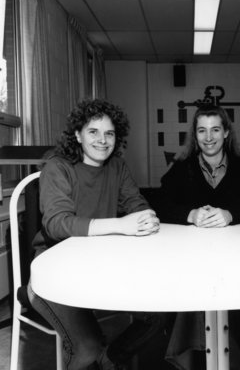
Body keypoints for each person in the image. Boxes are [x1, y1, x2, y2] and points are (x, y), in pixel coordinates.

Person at [28, 99, 164, 370]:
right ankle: (96, 356)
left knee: (160, 312)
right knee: (86, 348)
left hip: (101, 266)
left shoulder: (117, 167)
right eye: (93, 132)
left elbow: (136, 205)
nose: (103, 140)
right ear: (77, 134)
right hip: (52, 274)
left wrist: (144, 217)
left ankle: (111, 358)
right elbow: (57, 223)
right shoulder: (58, 166)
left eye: (109, 133)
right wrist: (121, 225)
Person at [155, 103, 240, 370]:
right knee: (196, 294)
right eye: (202, 131)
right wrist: (190, 214)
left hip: (236, 263)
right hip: (192, 261)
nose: (209, 137)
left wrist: (232, 215)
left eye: (215, 130)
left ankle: (203, 356)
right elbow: (159, 206)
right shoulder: (180, 169)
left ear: (227, 133)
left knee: (220, 302)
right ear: (194, 136)